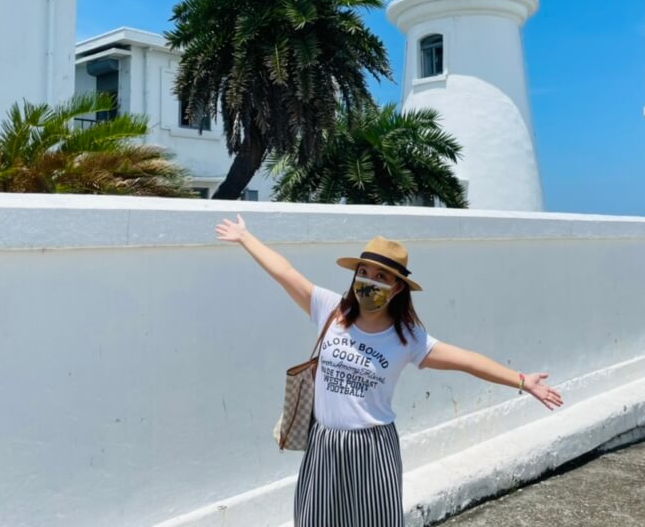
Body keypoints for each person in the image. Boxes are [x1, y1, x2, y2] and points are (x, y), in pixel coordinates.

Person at [215, 214, 563, 527]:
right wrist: (246, 237)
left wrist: (521, 380)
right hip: (325, 442)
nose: (368, 281)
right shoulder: (330, 310)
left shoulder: (407, 338)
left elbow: (467, 360)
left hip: (373, 445)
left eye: (380, 276)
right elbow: (285, 272)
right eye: (363, 272)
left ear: (397, 287)